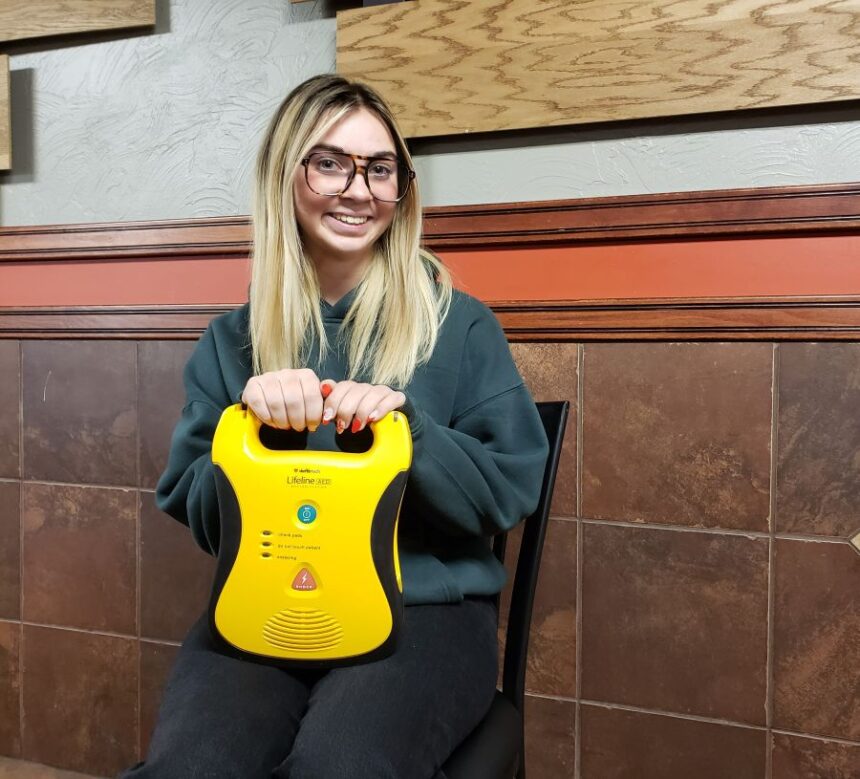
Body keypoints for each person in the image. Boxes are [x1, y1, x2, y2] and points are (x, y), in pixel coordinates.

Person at [121, 74, 548, 779]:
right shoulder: (232, 343)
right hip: (264, 607)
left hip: (425, 612)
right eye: (330, 163)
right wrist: (251, 432)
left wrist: (409, 431)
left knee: (339, 767)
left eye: (381, 169)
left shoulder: (460, 325)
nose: (360, 189)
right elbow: (198, 510)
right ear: (284, 175)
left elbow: (507, 490)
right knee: (190, 767)